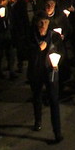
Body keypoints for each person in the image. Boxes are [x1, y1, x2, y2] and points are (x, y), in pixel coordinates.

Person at [27, 11, 64, 142]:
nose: (43, 25)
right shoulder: (31, 36)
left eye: (46, 22)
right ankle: (38, 121)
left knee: (54, 101)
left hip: (51, 72)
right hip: (36, 73)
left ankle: (57, 132)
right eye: (41, 22)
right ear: (36, 22)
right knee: (36, 97)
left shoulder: (54, 37)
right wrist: (37, 49)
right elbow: (24, 53)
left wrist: (57, 63)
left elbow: (61, 52)